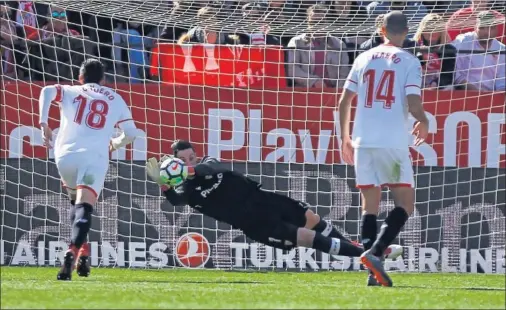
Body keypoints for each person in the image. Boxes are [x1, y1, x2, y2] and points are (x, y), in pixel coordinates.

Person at [145, 140, 403, 270]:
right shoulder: (186, 190)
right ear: (174, 164)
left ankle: (367, 253)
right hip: (253, 222)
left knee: (311, 218)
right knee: (306, 236)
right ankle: (368, 255)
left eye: (191, 156)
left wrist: (188, 169)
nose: (192, 160)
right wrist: (164, 184)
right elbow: (177, 201)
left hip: (264, 199)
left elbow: (213, 167)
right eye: (185, 160)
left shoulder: (205, 164)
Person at [338, 11, 429, 287]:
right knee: (405, 203)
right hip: (392, 142)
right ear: (406, 32)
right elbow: (413, 102)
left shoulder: (363, 58)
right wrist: (423, 120)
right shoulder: (411, 62)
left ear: (382, 30)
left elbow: (344, 101)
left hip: (363, 141)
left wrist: (344, 138)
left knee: (370, 206)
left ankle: (371, 273)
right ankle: (376, 253)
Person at [38, 59, 140, 280]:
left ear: (80, 76)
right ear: (103, 79)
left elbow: (46, 90)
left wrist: (43, 122)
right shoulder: (115, 98)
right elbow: (131, 133)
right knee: (84, 206)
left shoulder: (70, 90)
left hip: (64, 156)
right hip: (94, 157)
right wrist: (115, 143)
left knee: (75, 202)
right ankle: (73, 252)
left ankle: (83, 252)